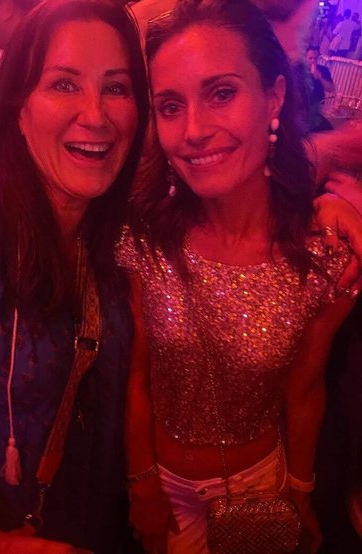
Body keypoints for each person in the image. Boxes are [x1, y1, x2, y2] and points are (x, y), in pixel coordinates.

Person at [0, 1, 149, 554]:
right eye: (64, 84)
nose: (96, 116)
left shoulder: (128, 234)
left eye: (116, 88)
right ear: (16, 106)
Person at [117, 1, 358, 552]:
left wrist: (300, 492)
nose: (194, 130)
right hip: (163, 495)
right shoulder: (144, 236)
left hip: (261, 489)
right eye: (170, 106)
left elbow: (305, 389)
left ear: (274, 96)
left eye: (222, 93)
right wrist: (141, 483)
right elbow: (136, 377)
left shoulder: (322, 255)